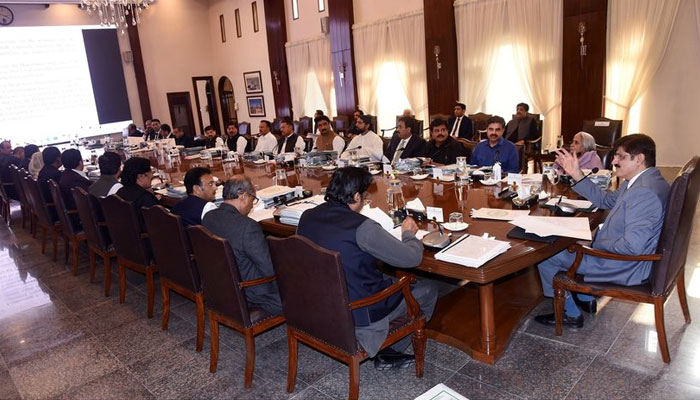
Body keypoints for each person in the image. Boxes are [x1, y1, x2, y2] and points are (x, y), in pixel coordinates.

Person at [297, 167, 438, 369]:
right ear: (355, 196)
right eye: (363, 197)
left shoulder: (307, 216)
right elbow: (412, 258)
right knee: (428, 288)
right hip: (359, 313)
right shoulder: (363, 227)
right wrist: (408, 234)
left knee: (379, 271)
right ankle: (389, 350)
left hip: (319, 304)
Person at [535, 134, 670, 328]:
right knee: (567, 242)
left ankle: (570, 313)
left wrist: (592, 242)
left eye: (620, 157)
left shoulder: (643, 193)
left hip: (623, 265)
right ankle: (585, 297)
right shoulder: (645, 180)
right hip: (621, 256)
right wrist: (577, 174)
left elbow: (632, 247)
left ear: (639, 159)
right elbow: (606, 201)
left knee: (545, 254)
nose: (614, 161)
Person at [202, 176, 283, 316]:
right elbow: (270, 270)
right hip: (252, 295)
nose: (252, 204)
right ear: (243, 196)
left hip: (219, 288)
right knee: (302, 288)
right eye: (253, 199)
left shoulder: (208, 217)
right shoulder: (248, 227)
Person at [116, 157, 158, 229]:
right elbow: (158, 223)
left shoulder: (120, 192)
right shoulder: (146, 198)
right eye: (150, 172)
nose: (152, 175)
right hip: (147, 238)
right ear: (141, 176)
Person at [58, 148, 92, 228]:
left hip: (73, 216)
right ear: (80, 162)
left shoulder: (66, 175)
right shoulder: (76, 181)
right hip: (83, 218)